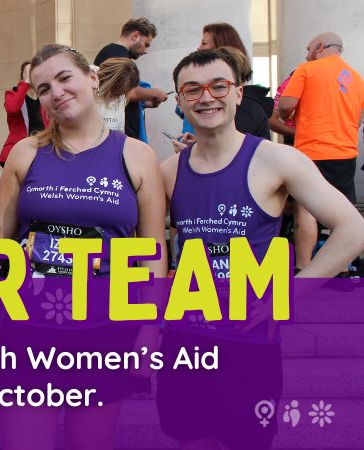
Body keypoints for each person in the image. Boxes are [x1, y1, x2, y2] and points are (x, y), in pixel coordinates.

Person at [158, 48, 364, 450]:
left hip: (249, 343)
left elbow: (352, 229)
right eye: (193, 89)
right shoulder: (169, 171)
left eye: (219, 86)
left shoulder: (277, 160)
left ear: (238, 94)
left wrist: (290, 293)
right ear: (179, 100)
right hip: (185, 341)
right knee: (190, 440)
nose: (206, 97)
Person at [0, 44, 166, 450]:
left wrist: (151, 329)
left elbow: (153, 251)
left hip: (106, 331)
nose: (56, 92)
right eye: (43, 88)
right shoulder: (26, 152)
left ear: (91, 77)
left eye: (64, 78)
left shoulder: (137, 156)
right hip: (27, 328)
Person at [279, 32, 364, 271]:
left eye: (308, 49)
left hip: (311, 151)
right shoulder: (357, 79)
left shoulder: (307, 70)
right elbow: (357, 121)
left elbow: (285, 106)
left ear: (320, 46)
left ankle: (304, 268)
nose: (307, 55)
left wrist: (289, 117)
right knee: (343, 213)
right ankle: (343, 267)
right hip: (346, 152)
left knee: (305, 207)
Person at [94, 17, 168, 141]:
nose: (146, 51)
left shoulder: (116, 53)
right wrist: (154, 93)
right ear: (135, 36)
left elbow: (118, 94)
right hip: (119, 135)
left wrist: (143, 101)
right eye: (146, 44)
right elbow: (129, 91)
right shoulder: (117, 54)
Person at [0, 61, 49, 166]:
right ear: (23, 75)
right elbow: (13, 109)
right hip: (20, 150)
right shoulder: (12, 94)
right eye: (28, 71)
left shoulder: (45, 97)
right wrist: (25, 84)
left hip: (43, 149)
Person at [95, 58, 140, 132]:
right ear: (107, 82)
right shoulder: (86, 85)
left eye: (124, 93)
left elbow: (120, 130)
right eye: (117, 93)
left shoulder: (121, 98)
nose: (119, 97)